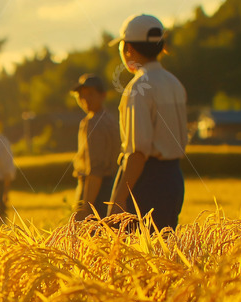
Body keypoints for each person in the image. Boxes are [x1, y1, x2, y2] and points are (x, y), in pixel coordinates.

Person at [107, 14, 187, 231]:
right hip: (173, 178)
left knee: (137, 257)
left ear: (128, 49)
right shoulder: (174, 83)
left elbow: (138, 152)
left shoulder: (139, 87)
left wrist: (118, 198)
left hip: (145, 181)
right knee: (164, 254)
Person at [70, 74, 120, 220]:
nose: (85, 99)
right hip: (112, 189)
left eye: (90, 94)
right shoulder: (112, 120)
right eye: (81, 95)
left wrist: (85, 208)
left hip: (95, 193)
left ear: (103, 95)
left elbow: (95, 171)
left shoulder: (92, 123)